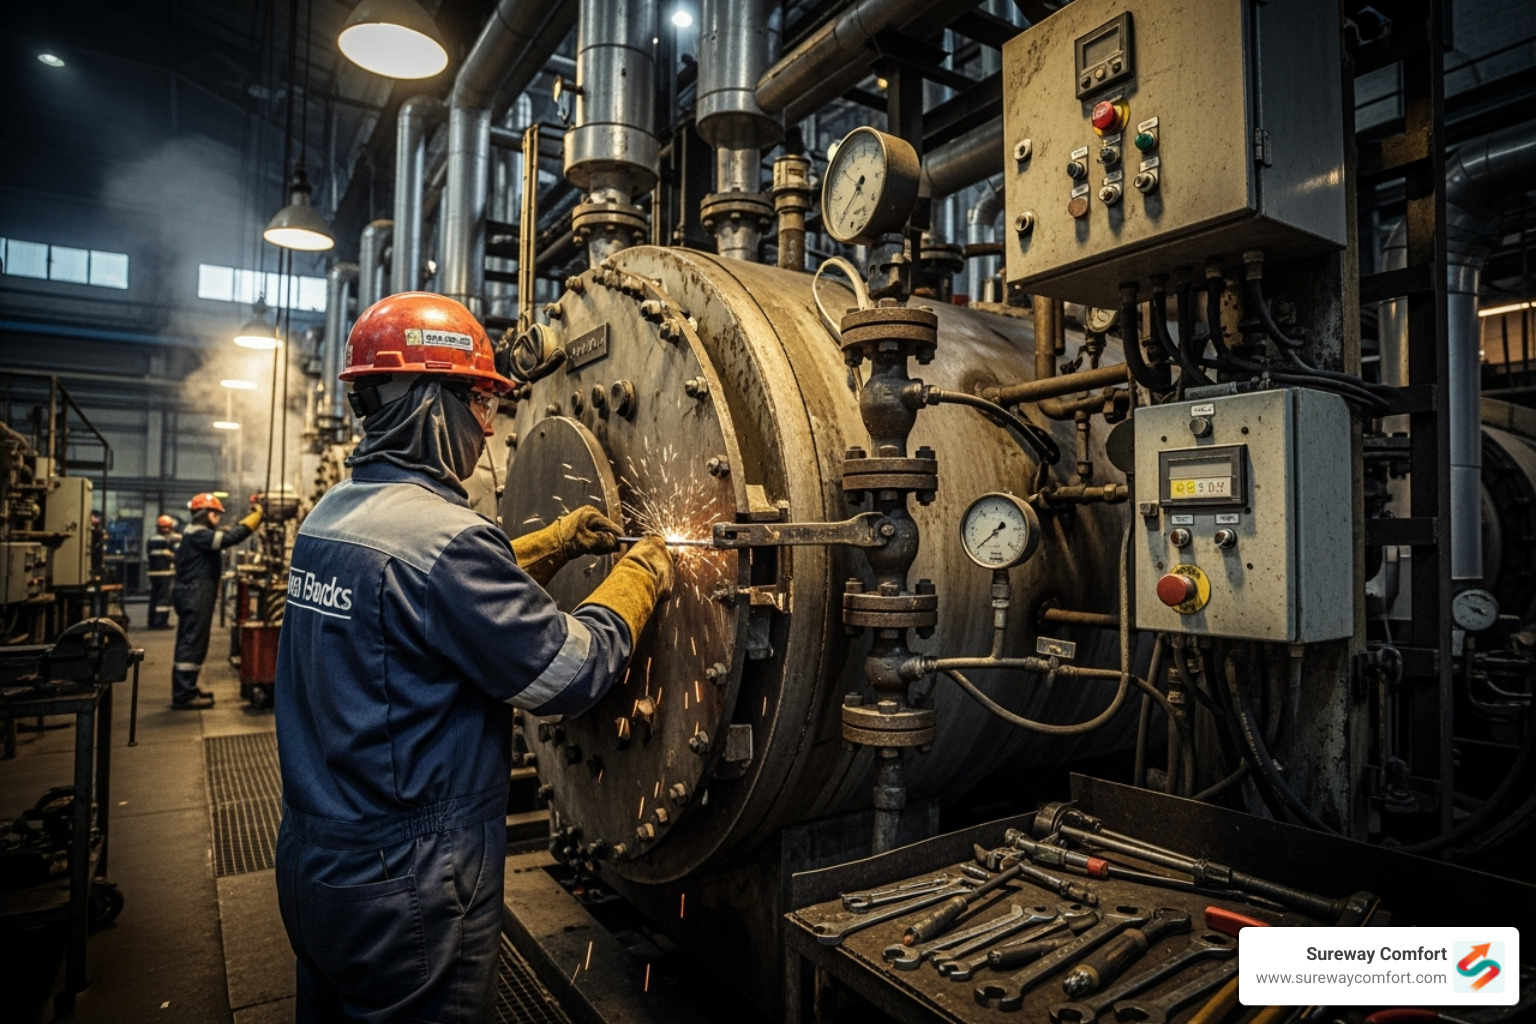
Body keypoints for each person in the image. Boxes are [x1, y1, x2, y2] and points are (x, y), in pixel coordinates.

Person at [274, 292, 673, 1023]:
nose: (489, 427)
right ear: (431, 405)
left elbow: (418, 605)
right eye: (480, 404)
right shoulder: (446, 539)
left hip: (316, 863)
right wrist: (642, 573)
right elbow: (571, 671)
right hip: (408, 887)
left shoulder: (328, 520)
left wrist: (550, 544)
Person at [171, 492, 262, 709]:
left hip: (193, 593)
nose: (218, 518)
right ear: (205, 514)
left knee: (192, 642)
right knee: (192, 643)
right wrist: (255, 518)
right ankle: (183, 694)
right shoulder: (198, 534)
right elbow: (229, 539)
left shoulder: (194, 534)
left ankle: (187, 688)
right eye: (215, 514)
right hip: (195, 594)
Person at [145, 514, 180, 629]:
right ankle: (160, 622)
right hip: (164, 572)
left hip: (154, 573)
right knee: (163, 598)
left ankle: (152, 621)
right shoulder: (164, 540)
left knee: (155, 596)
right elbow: (172, 553)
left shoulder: (152, 539)